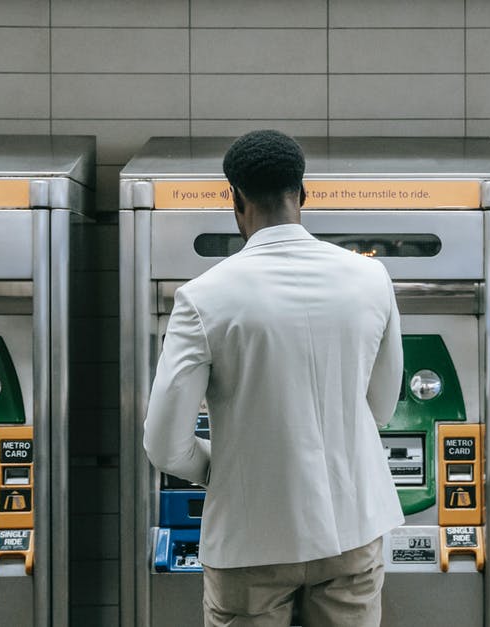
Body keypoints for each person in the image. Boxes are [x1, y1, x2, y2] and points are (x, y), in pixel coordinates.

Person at [143, 130, 404, 626]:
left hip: (250, 540)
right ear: (303, 194)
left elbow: (164, 443)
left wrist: (223, 471)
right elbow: (381, 408)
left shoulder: (202, 298)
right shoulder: (372, 279)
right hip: (352, 528)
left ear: (235, 199)